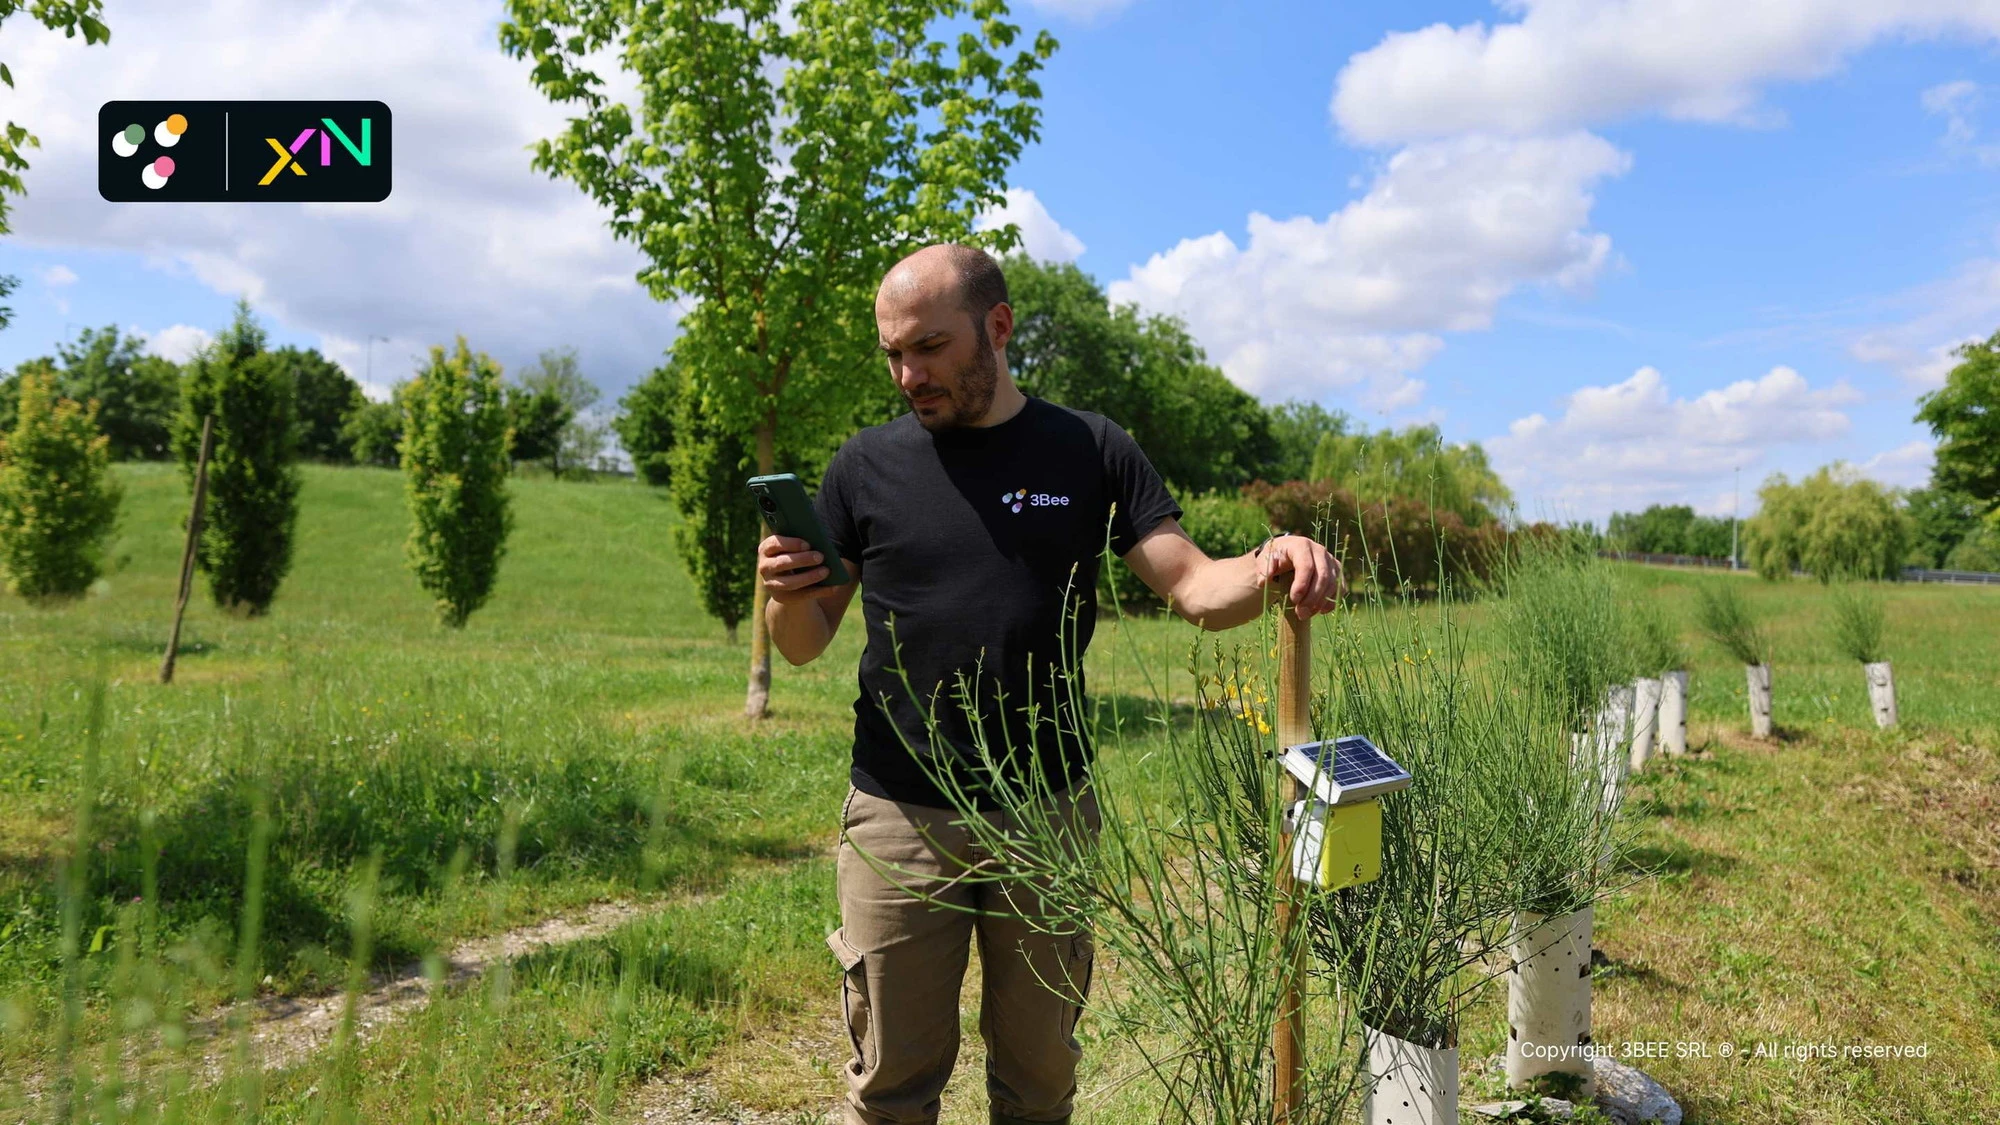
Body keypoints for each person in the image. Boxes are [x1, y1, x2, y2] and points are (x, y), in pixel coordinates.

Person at [758, 244, 1341, 1125]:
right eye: (893, 353)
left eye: (929, 347)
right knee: (891, 1086)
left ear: (998, 328)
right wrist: (782, 591)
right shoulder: (864, 467)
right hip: (900, 812)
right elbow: (801, 644)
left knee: (1039, 1084)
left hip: (1047, 812)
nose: (908, 374)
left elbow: (1192, 585)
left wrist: (1271, 559)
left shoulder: (1089, 449)